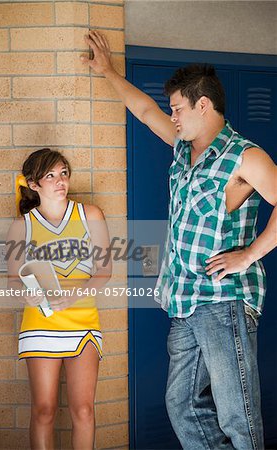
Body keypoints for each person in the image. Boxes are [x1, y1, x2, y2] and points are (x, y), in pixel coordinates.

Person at [80, 31, 277, 450]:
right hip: (183, 300)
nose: (172, 117)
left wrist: (249, 255)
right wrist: (108, 72)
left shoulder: (245, 157)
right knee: (182, 405)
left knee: (236, 414)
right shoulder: (184, 152)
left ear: (202, 105)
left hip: (223, 301)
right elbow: (145, 110)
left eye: (178, 109)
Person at [7, 148, 112, 450]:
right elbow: (13, 280)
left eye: (63, 173)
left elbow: (104, 271)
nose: (60, 180)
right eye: (50, 175)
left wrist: (73, 295)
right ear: (33, 184)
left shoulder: (90, 215)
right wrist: (29, 294)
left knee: (83, 410)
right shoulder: (22, 226)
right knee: (44, 411)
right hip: (41, 324)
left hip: (83, 323)